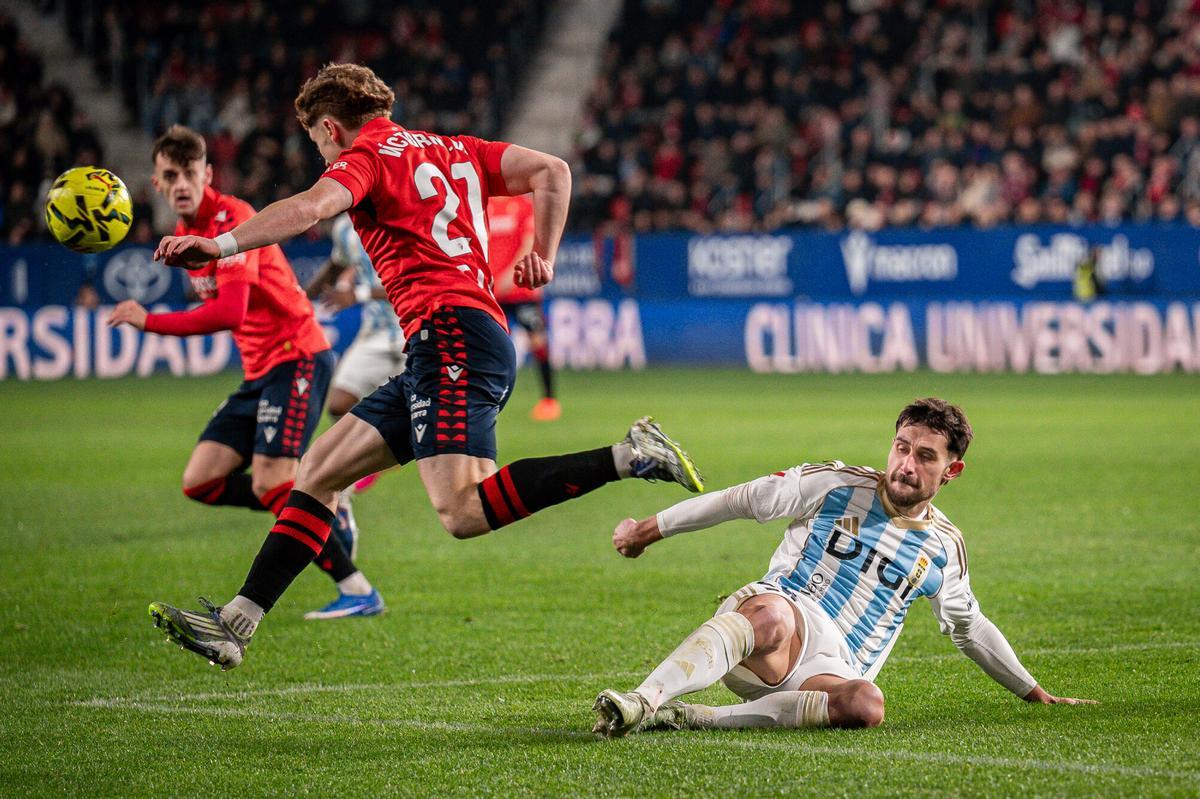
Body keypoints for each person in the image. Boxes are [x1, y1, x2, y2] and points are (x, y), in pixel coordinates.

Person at [146, 64, 703, 670]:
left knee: (462, 512)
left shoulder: (365, 156)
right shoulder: (452, 147)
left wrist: (222, 245)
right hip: (448, 340)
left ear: (330, 128)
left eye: (317, 143)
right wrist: (540, 254)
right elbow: (554, 171)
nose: (322, 154)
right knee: (319, 469)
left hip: (451, 337)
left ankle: (630, 456)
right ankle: (237, 622)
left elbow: (310, 208)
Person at [592, 398, 1095, 738]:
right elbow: (741, 500)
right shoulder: (836, 484)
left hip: (830, 673)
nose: (906, 464)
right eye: (902, 447)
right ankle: (644, 699)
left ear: (951, 470)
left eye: (925, 457)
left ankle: (695, 717)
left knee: (866, 705)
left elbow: (970, 629)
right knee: (773, 617)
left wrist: (1035, 693)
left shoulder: (944, 548)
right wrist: (647, 530)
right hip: (779, 624)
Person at [111, 125, 384, 622]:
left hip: (296, 355)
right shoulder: (189, 231)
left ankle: (357, 587)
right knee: (201, 480)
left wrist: (146, 320)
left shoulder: (232, 220)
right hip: (261, 369)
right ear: (156, 183)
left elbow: (230, 313)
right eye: (170, 175)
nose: (181, 183)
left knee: (268, 483)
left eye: (190, 172)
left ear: (207, 174)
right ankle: (322, 500)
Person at [304, 212, 407, 497]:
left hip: (413, 329)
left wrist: (358, 294)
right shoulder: (345, 227)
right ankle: (373, 458)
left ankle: (384, 456)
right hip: (374, 334)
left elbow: (412, 279)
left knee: (425, 417)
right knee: (339, 403)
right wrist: (298, 298)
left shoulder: (400, 215)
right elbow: (336, 266)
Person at [488, 193, 559, 421]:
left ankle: (549, 400)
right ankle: (488, 400)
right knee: (490, 347)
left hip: (521, 289)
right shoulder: (483, 204)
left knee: (537, 341)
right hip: (492, 290)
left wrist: (512, 274)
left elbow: (529, 243)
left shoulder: (522, 206)